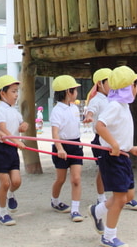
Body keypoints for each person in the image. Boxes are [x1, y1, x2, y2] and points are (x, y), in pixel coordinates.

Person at [89, 66, 137, 247]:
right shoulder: (114, 106)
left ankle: (97, 211)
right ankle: (109, 236)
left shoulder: (124, 106)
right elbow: (100, 126)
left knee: (128, 195)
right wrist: (114, 145)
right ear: (127, 87)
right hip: (112, 157)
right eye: (134, 84)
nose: (136, 88)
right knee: (121, 198)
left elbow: (120, 132)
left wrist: (130, 148)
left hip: (122, 156)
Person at [0, 75, 28, 226]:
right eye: (13, 91)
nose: (16, 95)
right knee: (5, 183)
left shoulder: (14, 111)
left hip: (12, 149)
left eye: (17, 91)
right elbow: (3, 130)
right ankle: (2, 212)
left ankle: (11, 195)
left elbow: (21, 124)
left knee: (16, 181)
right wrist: (18, 141)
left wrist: (24, 126)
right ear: (2, 94)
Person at [49, 75, 84, 222]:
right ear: (68, 92)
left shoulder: (74, 107)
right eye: (74, 90)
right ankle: (55, 201)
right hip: (61, 146)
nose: (76, 92)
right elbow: (55, 133)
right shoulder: (57, 110)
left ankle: (75, 210)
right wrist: (60, 149)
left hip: (76, 145)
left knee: (76, 179)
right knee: (61, 179)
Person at [84, 68, 112, 207]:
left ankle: (124, 195)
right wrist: (89, 117)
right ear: (100, 84)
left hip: (114, 138)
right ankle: (101, 198)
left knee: (119, 167)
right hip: (101, 139)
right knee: (103, 170)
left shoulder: (112, 98)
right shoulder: (96, 99)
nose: (113, 85)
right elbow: (91, 110)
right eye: (110, 81)